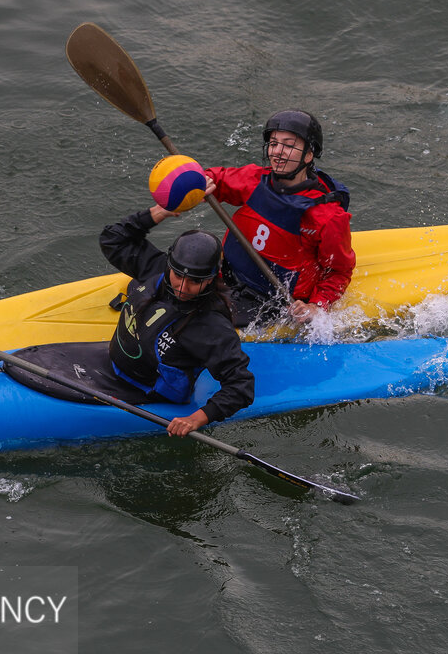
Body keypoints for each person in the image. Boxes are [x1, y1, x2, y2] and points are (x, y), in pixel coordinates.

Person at [98, 204, 254, 437]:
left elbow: (242, 387)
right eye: (178, 275)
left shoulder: (210, 325)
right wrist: (155, 214)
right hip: (115, 365)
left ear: (211, 279)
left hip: (151, 394)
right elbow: (112, 240)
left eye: (194, 281)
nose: (182, 287)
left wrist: (197, 418)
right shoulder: (158, 268)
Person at [203, 109, 354, 326]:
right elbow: (217, 178)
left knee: (205, 323)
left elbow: (339, 271)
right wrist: (199, 182)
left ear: (309, 155)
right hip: (227, 275)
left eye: (289, 145)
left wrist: (316, 306)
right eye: (274, 143)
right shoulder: (254, 179)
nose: (278, 152)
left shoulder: (327, 216)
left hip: (270, 301)